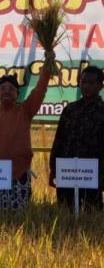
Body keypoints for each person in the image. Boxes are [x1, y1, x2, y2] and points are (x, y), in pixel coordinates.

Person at [0, 53, 54, 211]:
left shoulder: (25, 111)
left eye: (11, 88)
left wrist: (47, 66)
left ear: (17, 93)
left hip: (20, 175)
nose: (7, 91)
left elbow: (39, 90)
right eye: (2, 88)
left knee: (19, 217)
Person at [49, 65, 104, 210]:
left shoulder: (102, 111)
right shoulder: (70, 109)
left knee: (90, 214)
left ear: (100, 86)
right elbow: (59, 140)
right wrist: (54, 169)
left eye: (91, 83)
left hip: (92, 174)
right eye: (83, 82)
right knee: (65, 211)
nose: (86, 86)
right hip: (67, 172)